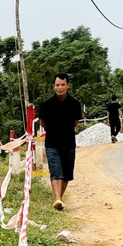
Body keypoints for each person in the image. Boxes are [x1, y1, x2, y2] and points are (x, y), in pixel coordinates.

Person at [37, 73, 82, 210]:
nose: (60, 87)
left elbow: (75, 122)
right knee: (56, 171)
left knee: (67, 174)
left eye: (63, 85)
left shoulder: (75, 104)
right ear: (53, 86)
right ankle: (58, 199)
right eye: (57, 85)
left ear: (68, 86)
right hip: (52, 143)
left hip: (68, 143)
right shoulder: (46, 105)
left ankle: (59, 200)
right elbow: (42, 122)